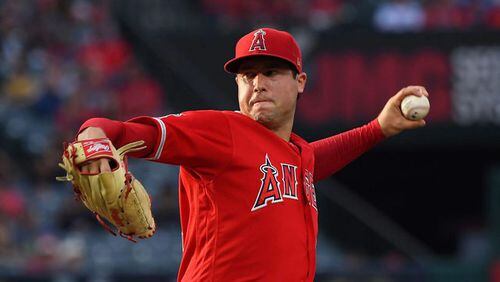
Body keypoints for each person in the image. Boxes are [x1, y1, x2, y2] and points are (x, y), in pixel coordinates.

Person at [74, 27, 428, 281]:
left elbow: (312, 161)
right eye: (247, 75)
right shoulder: (220, 132)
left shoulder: (295, 154)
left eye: (271, 72)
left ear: (300, 81)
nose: (258, 83)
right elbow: (135, 133)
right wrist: (95, 132)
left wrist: (378, 128)